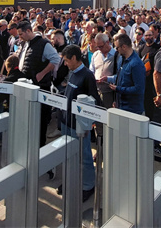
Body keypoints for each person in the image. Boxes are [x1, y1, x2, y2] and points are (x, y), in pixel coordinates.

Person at [58, 45, 101, 203]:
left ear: (75, 58)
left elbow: (94, 100)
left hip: (79, 125)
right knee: (68, 153)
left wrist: (89, 123)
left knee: (84, 156)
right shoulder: (72, 73)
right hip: (66, 121)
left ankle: (88, 185)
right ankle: (70, 179)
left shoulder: (87, 76)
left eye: (67, 60)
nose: (65, 63)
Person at [16, 20, 60, 148]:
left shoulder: (44, 44)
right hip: (27, 86)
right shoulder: (26, 43)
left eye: (21, 34)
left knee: (40, 121)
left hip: (40, 88)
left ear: (28, 31)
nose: (20, 37)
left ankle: (40, 148)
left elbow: (55, 59)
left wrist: (42, 73)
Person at [104, 33, 146, 114]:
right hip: (121, 107)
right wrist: (116, 100)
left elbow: (139, 89)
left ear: (124, 47)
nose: (116, 50)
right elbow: (121, 78)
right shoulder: (122, 59)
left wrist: (118, 89)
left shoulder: (136, 64)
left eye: (117, 48)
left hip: (132, 110)